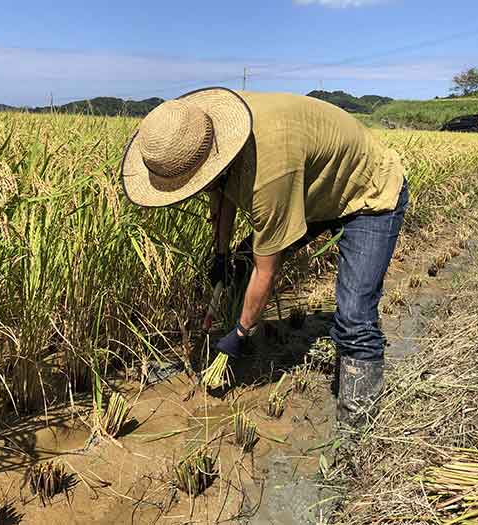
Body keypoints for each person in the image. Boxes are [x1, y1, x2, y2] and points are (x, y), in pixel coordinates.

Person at [121, 87, 408, 427]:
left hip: (366, 192)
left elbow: (266, 271)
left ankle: (359, 431)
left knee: (354, 317)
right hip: (312, 188)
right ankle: (229, 346)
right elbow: (223, 192)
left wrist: (241, 332)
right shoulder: (216, 133)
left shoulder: (269, 174)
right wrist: (221, 255)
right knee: (239, 263)